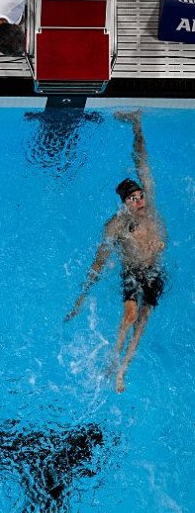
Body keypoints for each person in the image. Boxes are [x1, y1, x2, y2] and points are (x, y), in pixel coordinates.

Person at [66, 110, 167, 393]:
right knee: (130, 316)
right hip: (133, 271)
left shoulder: (150, 208)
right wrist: (82, 296)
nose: (139, 202)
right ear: (124, 203)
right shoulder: (116, 226)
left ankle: (123, 370)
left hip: (155, 270)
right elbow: (99, 261)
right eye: (133, 199)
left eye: (140, 197)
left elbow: (142, 162)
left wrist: (137, 126)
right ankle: (112, 360)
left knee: (143, 321)